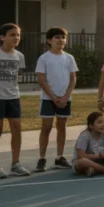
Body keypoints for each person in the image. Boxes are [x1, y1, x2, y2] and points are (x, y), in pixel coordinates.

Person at [0, 23, 30, 178]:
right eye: (12, 35)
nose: (16, 37)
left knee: (16, 128)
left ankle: (16, 163)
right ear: (2, 37)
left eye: (18, 35)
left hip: (13, 97)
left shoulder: (19, 56)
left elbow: (17, 75)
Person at [35, 27, 78, 172]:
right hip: (48, 99)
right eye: (57, 37)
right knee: (46, 128)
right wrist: (53, 97)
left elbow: (73, 79)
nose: (61, 40)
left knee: (62, 127)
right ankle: (42, 159)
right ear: (49, 40)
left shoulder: (69, 58)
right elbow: (42, 80)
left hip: (65, 99)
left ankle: (60, 157)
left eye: (63, 37)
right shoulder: (44, 58)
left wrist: (65, 97)